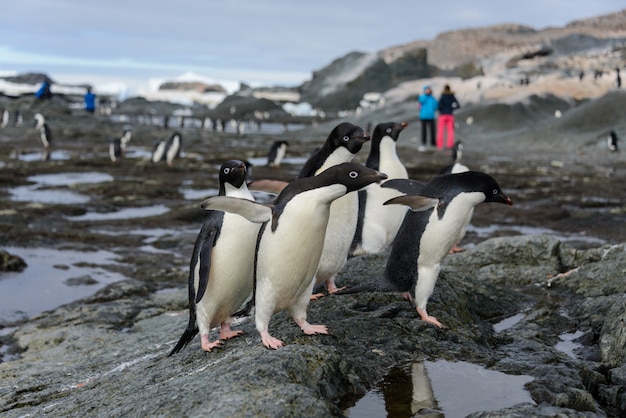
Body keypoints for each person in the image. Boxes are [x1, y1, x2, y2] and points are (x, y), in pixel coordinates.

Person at [436, 84, 461, 149]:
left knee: (440, 131)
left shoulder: (442, 96)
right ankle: (449, 145)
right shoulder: (452, 96)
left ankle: (439, 146)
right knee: (450, 131)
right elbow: (458, 105)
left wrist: (442, 110)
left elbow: (439, 106)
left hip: (442, 115)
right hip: (450, 115)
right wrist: (452, 108)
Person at [418, 85, 438, 151]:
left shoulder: (432, 98)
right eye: (426, 89)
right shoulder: (422, 97)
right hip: (423, 116)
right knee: (424, 130)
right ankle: (424, 143)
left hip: (431, 116)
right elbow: (421, 101)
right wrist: (426, 95)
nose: (428, 91)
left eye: (429, 89)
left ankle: (433, 143)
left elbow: (435, 106)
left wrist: (433, 109)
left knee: (432, 130)